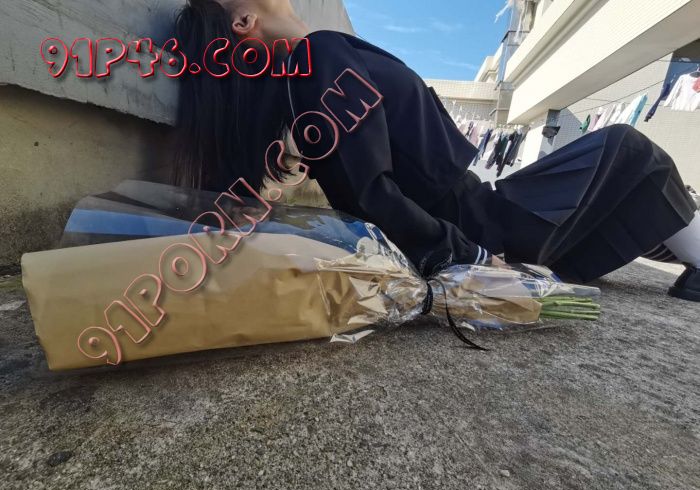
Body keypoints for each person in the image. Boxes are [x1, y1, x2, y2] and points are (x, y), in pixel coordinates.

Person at [173, 0, 700, 302]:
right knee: (631, 149)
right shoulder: (316, 58)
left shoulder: (314, 66)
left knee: (624, 171)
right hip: (480, 225)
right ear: (243, 22)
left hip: (478, 216)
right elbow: (367, 192)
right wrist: (467, 255)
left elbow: (365, 186)